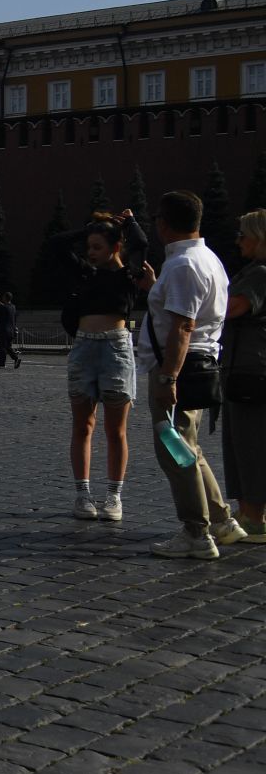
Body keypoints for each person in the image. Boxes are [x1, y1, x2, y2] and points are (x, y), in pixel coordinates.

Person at [139, 191, 246, 559]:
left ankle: (196, 533)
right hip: (196, 365)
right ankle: (221, 520)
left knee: (174, 451)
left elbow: (183, 327)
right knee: (190, 447)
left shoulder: (183, 265)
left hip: (179, 367)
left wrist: (168, 378)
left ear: (164, 223)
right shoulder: (207, 258)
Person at [61, 211, 146, 521]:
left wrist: (128, 223)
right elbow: (58, 245)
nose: (90, 252)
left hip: (116, 348)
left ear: (115, 247)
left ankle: (114, 496)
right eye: (89, 247)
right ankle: (82, 495)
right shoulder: (85, 272)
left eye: (97, 246)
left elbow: (142, 242)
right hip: (83, 347)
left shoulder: (130, 275)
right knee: (83, 425)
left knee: (116, 430)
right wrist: (88, 227)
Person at [221, 210, 266, 541]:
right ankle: (250, 511)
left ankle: (254, 516)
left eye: (243, 235)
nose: (238, 241)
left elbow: (232, 307)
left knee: (250, 442)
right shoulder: (255, 271)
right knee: (243, 441)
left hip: (252, 369)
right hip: (247, 366)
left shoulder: (260, 273)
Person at [0, 292, 22, 368]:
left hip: (3, 330)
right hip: (11, 330)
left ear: (5, 298)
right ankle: (16, 359)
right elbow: (5, 307)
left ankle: (2, 363)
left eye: (3, 297)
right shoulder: (13, 307)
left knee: (1, 347)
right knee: (8, 347)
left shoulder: (4, 307)